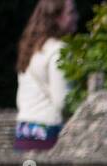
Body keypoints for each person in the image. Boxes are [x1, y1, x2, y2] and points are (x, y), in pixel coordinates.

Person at [14, 0, 80, 151]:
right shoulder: (59, 51)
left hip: (24, 131)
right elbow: (63, 102)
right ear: (55, 18)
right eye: (71, 12)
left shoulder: (32, 47)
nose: (77, 16)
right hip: (47, 134)